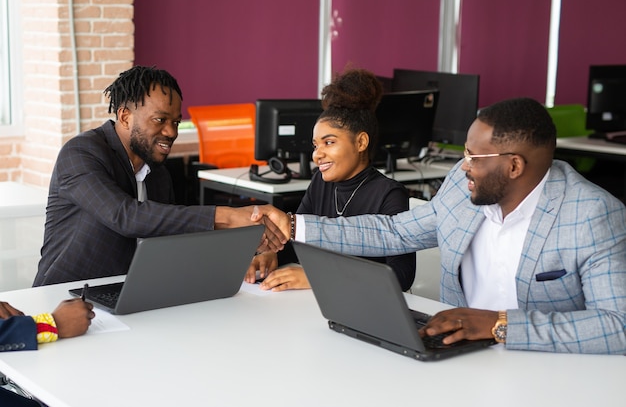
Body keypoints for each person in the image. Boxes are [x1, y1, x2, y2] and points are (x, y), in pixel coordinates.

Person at [253, 97, 626, 354]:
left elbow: (618, 326)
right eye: (465, 153)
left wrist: (499, 325)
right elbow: (395, 231)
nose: (463, 166)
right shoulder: (464, 191)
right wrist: (293, 224)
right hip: (453, 355)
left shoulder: (591, 215)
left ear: (514, 166)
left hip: (545, 367)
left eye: (474, 157)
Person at [33, 65, 285, 286]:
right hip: (65, 296)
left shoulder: (158, 173)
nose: (171, 131)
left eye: (175, 122)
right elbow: (125, 216)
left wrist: (247, 247)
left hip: (130, 293)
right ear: (125, 116)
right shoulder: (81, 153)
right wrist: (229, 216)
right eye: (160, 119)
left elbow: (173, 237)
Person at [245, 68, 415, 291]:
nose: (317, 154)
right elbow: (297, 240)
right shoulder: (321, 182)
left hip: (366, 305)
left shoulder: (389, 194)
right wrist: (271, 254)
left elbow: (401, 276)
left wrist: (318, 277)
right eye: (316, 145)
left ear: (361, 142)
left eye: (329, 142)